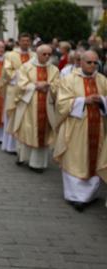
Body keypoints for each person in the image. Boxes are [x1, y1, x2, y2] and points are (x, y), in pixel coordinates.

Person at [54, 50, 107, 212]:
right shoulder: (69, 79)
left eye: (95, 62)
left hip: (97, 126)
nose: (92, 65)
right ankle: (74, 196)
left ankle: (90, 195)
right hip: (76, 127)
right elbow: (61, 103)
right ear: (81, 62)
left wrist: (102, 101)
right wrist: (84, 100)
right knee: (75, 158)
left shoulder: (103, 80)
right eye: (89, 62)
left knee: (94, 157)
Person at [12, 45, 59, 172]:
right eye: (45, 54)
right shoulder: (26, 67)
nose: (48, 57)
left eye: (49, 54)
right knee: (27, 131)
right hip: (30, 106)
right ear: (37, 54)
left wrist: (49, 86)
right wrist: (35, 86)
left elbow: (58, 85)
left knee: (42, 133)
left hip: (46, 106)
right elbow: (20, 85)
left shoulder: (54, 69)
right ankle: (22, 157)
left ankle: (37, 164)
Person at [2, 33, 36, 153]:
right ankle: (10, 146)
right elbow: (7, 71)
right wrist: (19, 75)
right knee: (13, 116)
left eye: (28, 41)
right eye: (23, 40)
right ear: (19, 41)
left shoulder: (34, 55)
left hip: (28, 92)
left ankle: (23, 146)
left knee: (26, 117)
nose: (26, 43)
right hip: (14, 89)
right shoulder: (10, 55)